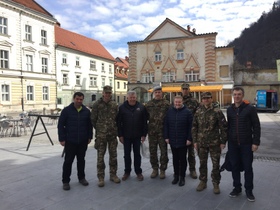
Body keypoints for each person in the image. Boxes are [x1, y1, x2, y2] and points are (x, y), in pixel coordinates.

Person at [227, 86, 261, 202]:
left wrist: (255, 142)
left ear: (243, 95)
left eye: (239, 94)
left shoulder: (250, 109)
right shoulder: (229, 109)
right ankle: (237, 188)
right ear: (233, 95)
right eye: (235, 94)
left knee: (247, 168)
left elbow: (256, 126)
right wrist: (227, 141)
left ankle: (249, 190)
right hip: (233, 144)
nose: (236, 96)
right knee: (235, 167)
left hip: (246, 144)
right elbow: (229, 126)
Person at [192, 92, 227, 194]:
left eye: (208, 98)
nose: (206, 100)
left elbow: (224, 128)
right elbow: (194, 127)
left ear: (211, 99)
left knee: (215, 164)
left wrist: (223, 142)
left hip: (214, 143)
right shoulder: (198, 111)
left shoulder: (217, 112)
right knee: (202, 163)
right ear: (202, 100)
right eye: (204, 98)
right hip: (201, 143)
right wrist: (195, 141)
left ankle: (216, 183)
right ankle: (203, 181)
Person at [58, 92, 93, 191]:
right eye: (77, 99)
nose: (79, 101)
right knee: (68, 161)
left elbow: (89, 126)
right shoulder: (66, 111)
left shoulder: (86, 111)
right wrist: (62, 138)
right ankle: (65, 181)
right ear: (74, 99)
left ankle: (81, 178)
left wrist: (89, 136)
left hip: (82, 141)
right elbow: (61, 125)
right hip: (70, 141)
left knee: (81, 161)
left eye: (81, 99)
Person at [91, 85, 121, 187]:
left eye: (109, 93)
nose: (107, 94)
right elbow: (93, 120)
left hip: (112, 135)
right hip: (101, 136)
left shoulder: (114, 105)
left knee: (113, 156)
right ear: (103, 93)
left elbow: (118, 119)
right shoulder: (97, 105)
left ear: (111, 93)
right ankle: (101, 177)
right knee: (100, 157)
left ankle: (113, 175)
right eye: (106, 93)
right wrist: (100, 129)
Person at [117, 91, 148, 181]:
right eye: (130, 97)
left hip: (137, 135)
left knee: (137, 154)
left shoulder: (141, 107)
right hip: (126, 136)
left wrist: (144, 134)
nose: (132, 99)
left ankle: (138, 172)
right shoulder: (122, 108)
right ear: (127, 98)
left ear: (136, 97)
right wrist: (120, 135)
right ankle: (127, 172)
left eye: (134, 97)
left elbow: (145, 122)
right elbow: (119, 123)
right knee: (126, 155)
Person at [164, 95, 193, 186]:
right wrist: (166, 137)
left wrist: (189, 138)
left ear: (182, 102)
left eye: (179, 102)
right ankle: (176, 175)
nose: (177, 104)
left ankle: (182, 177)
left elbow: (191, 127)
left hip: (183, 140)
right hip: (173, 139)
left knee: (183, 159)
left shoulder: (187, 112)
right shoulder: (169, 112)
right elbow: (166, 125)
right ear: (173, 102)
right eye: (176, 102)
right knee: (175, 159)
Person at [145, 86, 170, 179]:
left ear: (161, 93)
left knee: (164, 152)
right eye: (156, 92)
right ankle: (155, 169)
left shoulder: (167, 104)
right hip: (152, 132)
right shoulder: (148, 104)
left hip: (163, 132)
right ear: (153, 93)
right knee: (152, 151)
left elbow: (169, 119)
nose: (158, 94)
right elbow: (145, 118)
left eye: (159, 92)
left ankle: (162, 169)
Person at [181, 82, 199, 179]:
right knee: (181, 152)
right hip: (180, 131)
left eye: (186, 89)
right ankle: (181, 170)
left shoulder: (194, 101)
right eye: (183, 89)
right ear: (181, 90)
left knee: (191, 152)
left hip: (191, 131)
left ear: (189, 90)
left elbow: (198, 116)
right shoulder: (178, 101)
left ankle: (192, 170)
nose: (185, 90)